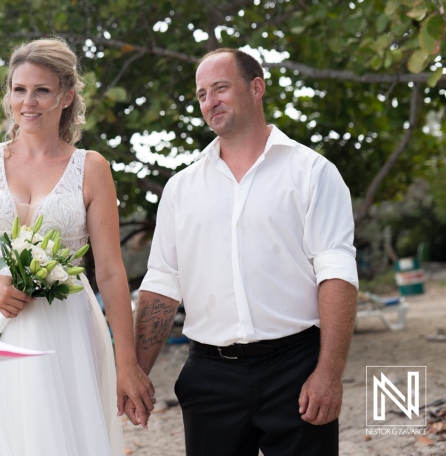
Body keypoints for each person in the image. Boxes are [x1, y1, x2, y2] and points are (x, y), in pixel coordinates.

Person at [0, 38, 155, 456]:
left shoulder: (92, 168)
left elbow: (109, 272)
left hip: (64, 326)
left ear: (66, 96)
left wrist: (128, 364)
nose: (27, 102)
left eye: (42, 90)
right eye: (19, 89)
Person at [130, 48, 358, 455]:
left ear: (256, 88)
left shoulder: (312, 172)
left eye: (220, 88)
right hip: (209, 376)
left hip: (296, 367)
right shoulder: (181, 189)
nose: (210, 101)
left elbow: (336, 274)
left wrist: (329, 373)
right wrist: (137, 373)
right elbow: (163, 284)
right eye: (201, 94)